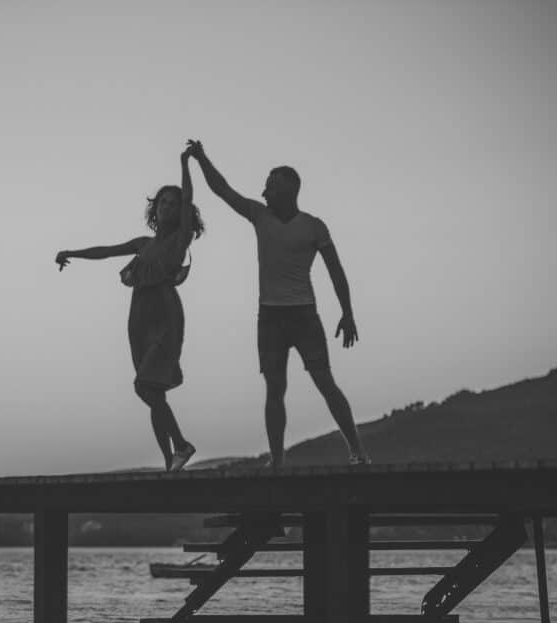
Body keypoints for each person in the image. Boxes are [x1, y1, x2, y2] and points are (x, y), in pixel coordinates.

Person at [185, 139, 369, 467]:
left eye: (270, 184)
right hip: (270, 316)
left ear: (288, 188)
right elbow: (222, 189)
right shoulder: (258, 214)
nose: (264, 189)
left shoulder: (313, 226)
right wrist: (200, 157)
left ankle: (356, 451)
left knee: (325, 381)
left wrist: (348, 312)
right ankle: (278, 459)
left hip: (304, 315)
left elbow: (336, 271)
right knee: (274, 389)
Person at [55, 147, 204, 472]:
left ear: (182, 211)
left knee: (143, 385)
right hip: (139, 317)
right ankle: (170, 463)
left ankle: (181, 445)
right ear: (155, 207)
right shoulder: (143, 243)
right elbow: (107, 251)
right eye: (162, 202)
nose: (167, 207)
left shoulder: (182, 237)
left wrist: (184, 163)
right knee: (153, 392)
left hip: (165, 316)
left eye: (174, 203)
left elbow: (189, 196)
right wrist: (72, 252)